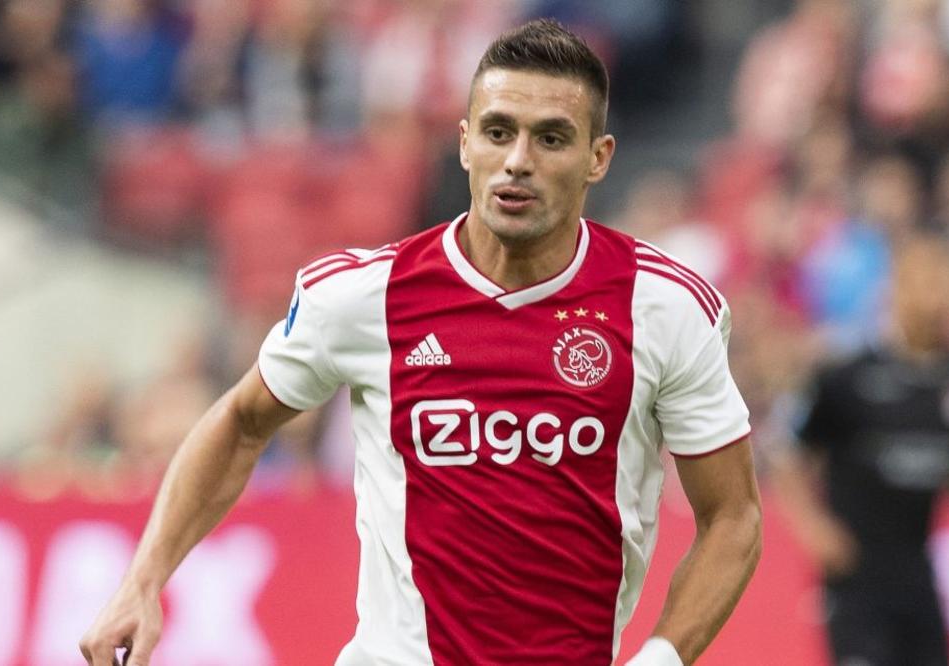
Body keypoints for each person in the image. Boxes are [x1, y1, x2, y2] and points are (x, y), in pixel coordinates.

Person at [80, 20, 762, 666]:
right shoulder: (362, 296)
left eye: (551, 139)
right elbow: (240, 424)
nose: (516, 162)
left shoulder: (665, 309)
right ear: (465, 143)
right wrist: (143, 581)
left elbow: (733, 517)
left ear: (598, 158)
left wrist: (660, 658)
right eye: (498, 132)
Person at [773, 235, 949, 666]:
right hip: (857, 581)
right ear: (896, 288)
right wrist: (815, 528)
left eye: (942, 281)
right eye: (922, 280)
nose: (933, 295)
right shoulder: (848, 377)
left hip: (919, 575)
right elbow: (786, 456)